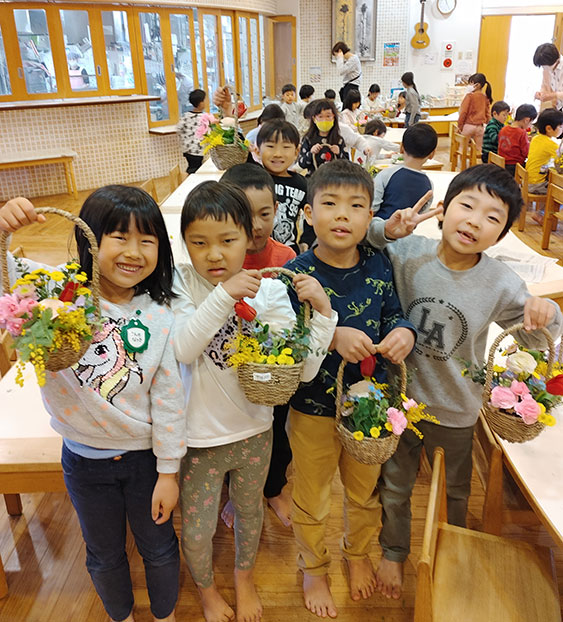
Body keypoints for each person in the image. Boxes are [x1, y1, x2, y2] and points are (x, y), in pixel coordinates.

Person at [367, 165, 562, 601]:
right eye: (467, 205)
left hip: (456, 408)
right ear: (444, 208)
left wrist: (547, 312)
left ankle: (452, 549)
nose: (474, 221)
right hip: (399, 401)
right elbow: (359, 243)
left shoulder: (500, 282)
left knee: (456, 491)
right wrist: (386, 230)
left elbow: (538, 338)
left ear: (502, 234)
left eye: (492, 217)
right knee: (394, 485)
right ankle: (393, 551)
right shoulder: (407, 251)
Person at [0, 187, 186, 622]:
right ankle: (120, 615)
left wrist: (169, 472)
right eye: (119, 237)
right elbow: (6, 275)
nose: (134, 252)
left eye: (147, 240)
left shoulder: (160, 314)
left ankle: (165, 615)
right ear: (90, 240)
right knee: (103, 554)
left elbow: (169, 400)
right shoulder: (58, 289)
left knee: (159, 547)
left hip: (144, 461)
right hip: (83, 462)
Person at [172, 181, 337, 622]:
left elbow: (301, 372)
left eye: (227, 240)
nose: (214, 254)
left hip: (255, 433)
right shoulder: (181, 284)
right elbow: (184, 348)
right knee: (198, 528)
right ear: (184, 242)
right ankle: (207, 591)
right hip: (199, 439)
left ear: (248, 238)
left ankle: (244, 579)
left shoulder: (269, 292)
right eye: (199, 242)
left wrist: (323, 316)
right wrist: (226, 295)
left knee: (249, 514)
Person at [284, 159, 416, 619]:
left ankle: (357, 553)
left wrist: (404, 332)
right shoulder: (296, 274)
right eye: (330, 204)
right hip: (311, 408)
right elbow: (285, 343)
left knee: (364, 492)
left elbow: (393, 312)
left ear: (370, 217)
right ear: (308, 213)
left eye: (356, 206)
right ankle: (314, 567)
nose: (343, 214)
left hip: (369, 410)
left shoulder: (379, 263)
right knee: (312, 495)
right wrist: (331, 334)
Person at [219, 164, 297, 530]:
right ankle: (237, 493)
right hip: (228, 369)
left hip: (274, 370)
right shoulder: (219, 261)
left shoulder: (286, 259)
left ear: (276, 210)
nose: (255, 225)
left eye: (264, 214)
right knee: (233, 436)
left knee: (277, 432)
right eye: (243, 215)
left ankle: (274, 488)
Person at [257, 119, 308, 253]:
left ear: (296, 152)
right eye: (270, 146)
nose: (278, 154)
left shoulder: (301, 184)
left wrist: (306, 240)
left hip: (288, 253)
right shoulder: (253, 179)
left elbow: (314, 214)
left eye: (286, 147)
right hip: (257, 253)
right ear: (257, 150)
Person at [371, 123, 437, 219]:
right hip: (408, 228)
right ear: (432, 154)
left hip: (380, 226)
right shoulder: (429, 185)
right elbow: (421, 214)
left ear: (401, 148)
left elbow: (372, 207)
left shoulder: (386, 174)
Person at [298, 99, 348, 175]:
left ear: (334, 118)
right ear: (314, 119)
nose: (324, 120)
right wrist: (311, 153)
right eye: (320, 117)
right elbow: (302, 164)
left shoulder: (339, 140)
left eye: (328, 116)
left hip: (334, 179)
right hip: (314, 178)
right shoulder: (308, 139)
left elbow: (347, 165)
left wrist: (339, 153)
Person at [525, 108, 563, 199]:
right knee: (558, 188)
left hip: (527, 181)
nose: (562, 129)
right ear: (549, 128)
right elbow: (560, 159)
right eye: (561, 127)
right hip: (537, 185)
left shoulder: (536, 138)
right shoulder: (550, 144)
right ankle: (551, 207)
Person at [498, 103, 537, 176]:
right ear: (527, 120)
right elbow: (526, 153)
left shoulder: (503, 129)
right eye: (531, 123)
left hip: (501, 165)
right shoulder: (522, 133)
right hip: (515, 167)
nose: (530, 126)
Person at [457, 73, 493, 149]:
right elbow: (488, 114)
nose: (469, 85)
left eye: (471, 83)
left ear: (477, 85)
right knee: (478, 150)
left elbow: (463, 112)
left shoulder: (469, 96)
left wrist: (460, 126)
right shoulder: (485, 98)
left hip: (468, 126)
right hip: (480, 127)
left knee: (463, 149)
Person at [176, 88, 207, 174]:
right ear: (200, 103)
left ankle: (189, 178)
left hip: (187, 150)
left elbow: (179, 128)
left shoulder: (185, 115)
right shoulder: (204, 117)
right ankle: (191, 181)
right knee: (196, 169)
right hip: (198, 150)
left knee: (192, 167)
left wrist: (185, 140)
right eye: (204, 100)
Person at [533, 42, 563, 111]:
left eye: (543, 65)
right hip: (558, 107)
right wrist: (541, 94)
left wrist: (554, 95)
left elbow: (553, 95)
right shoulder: (546, 69)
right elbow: (544, 86)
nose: (543, 68)